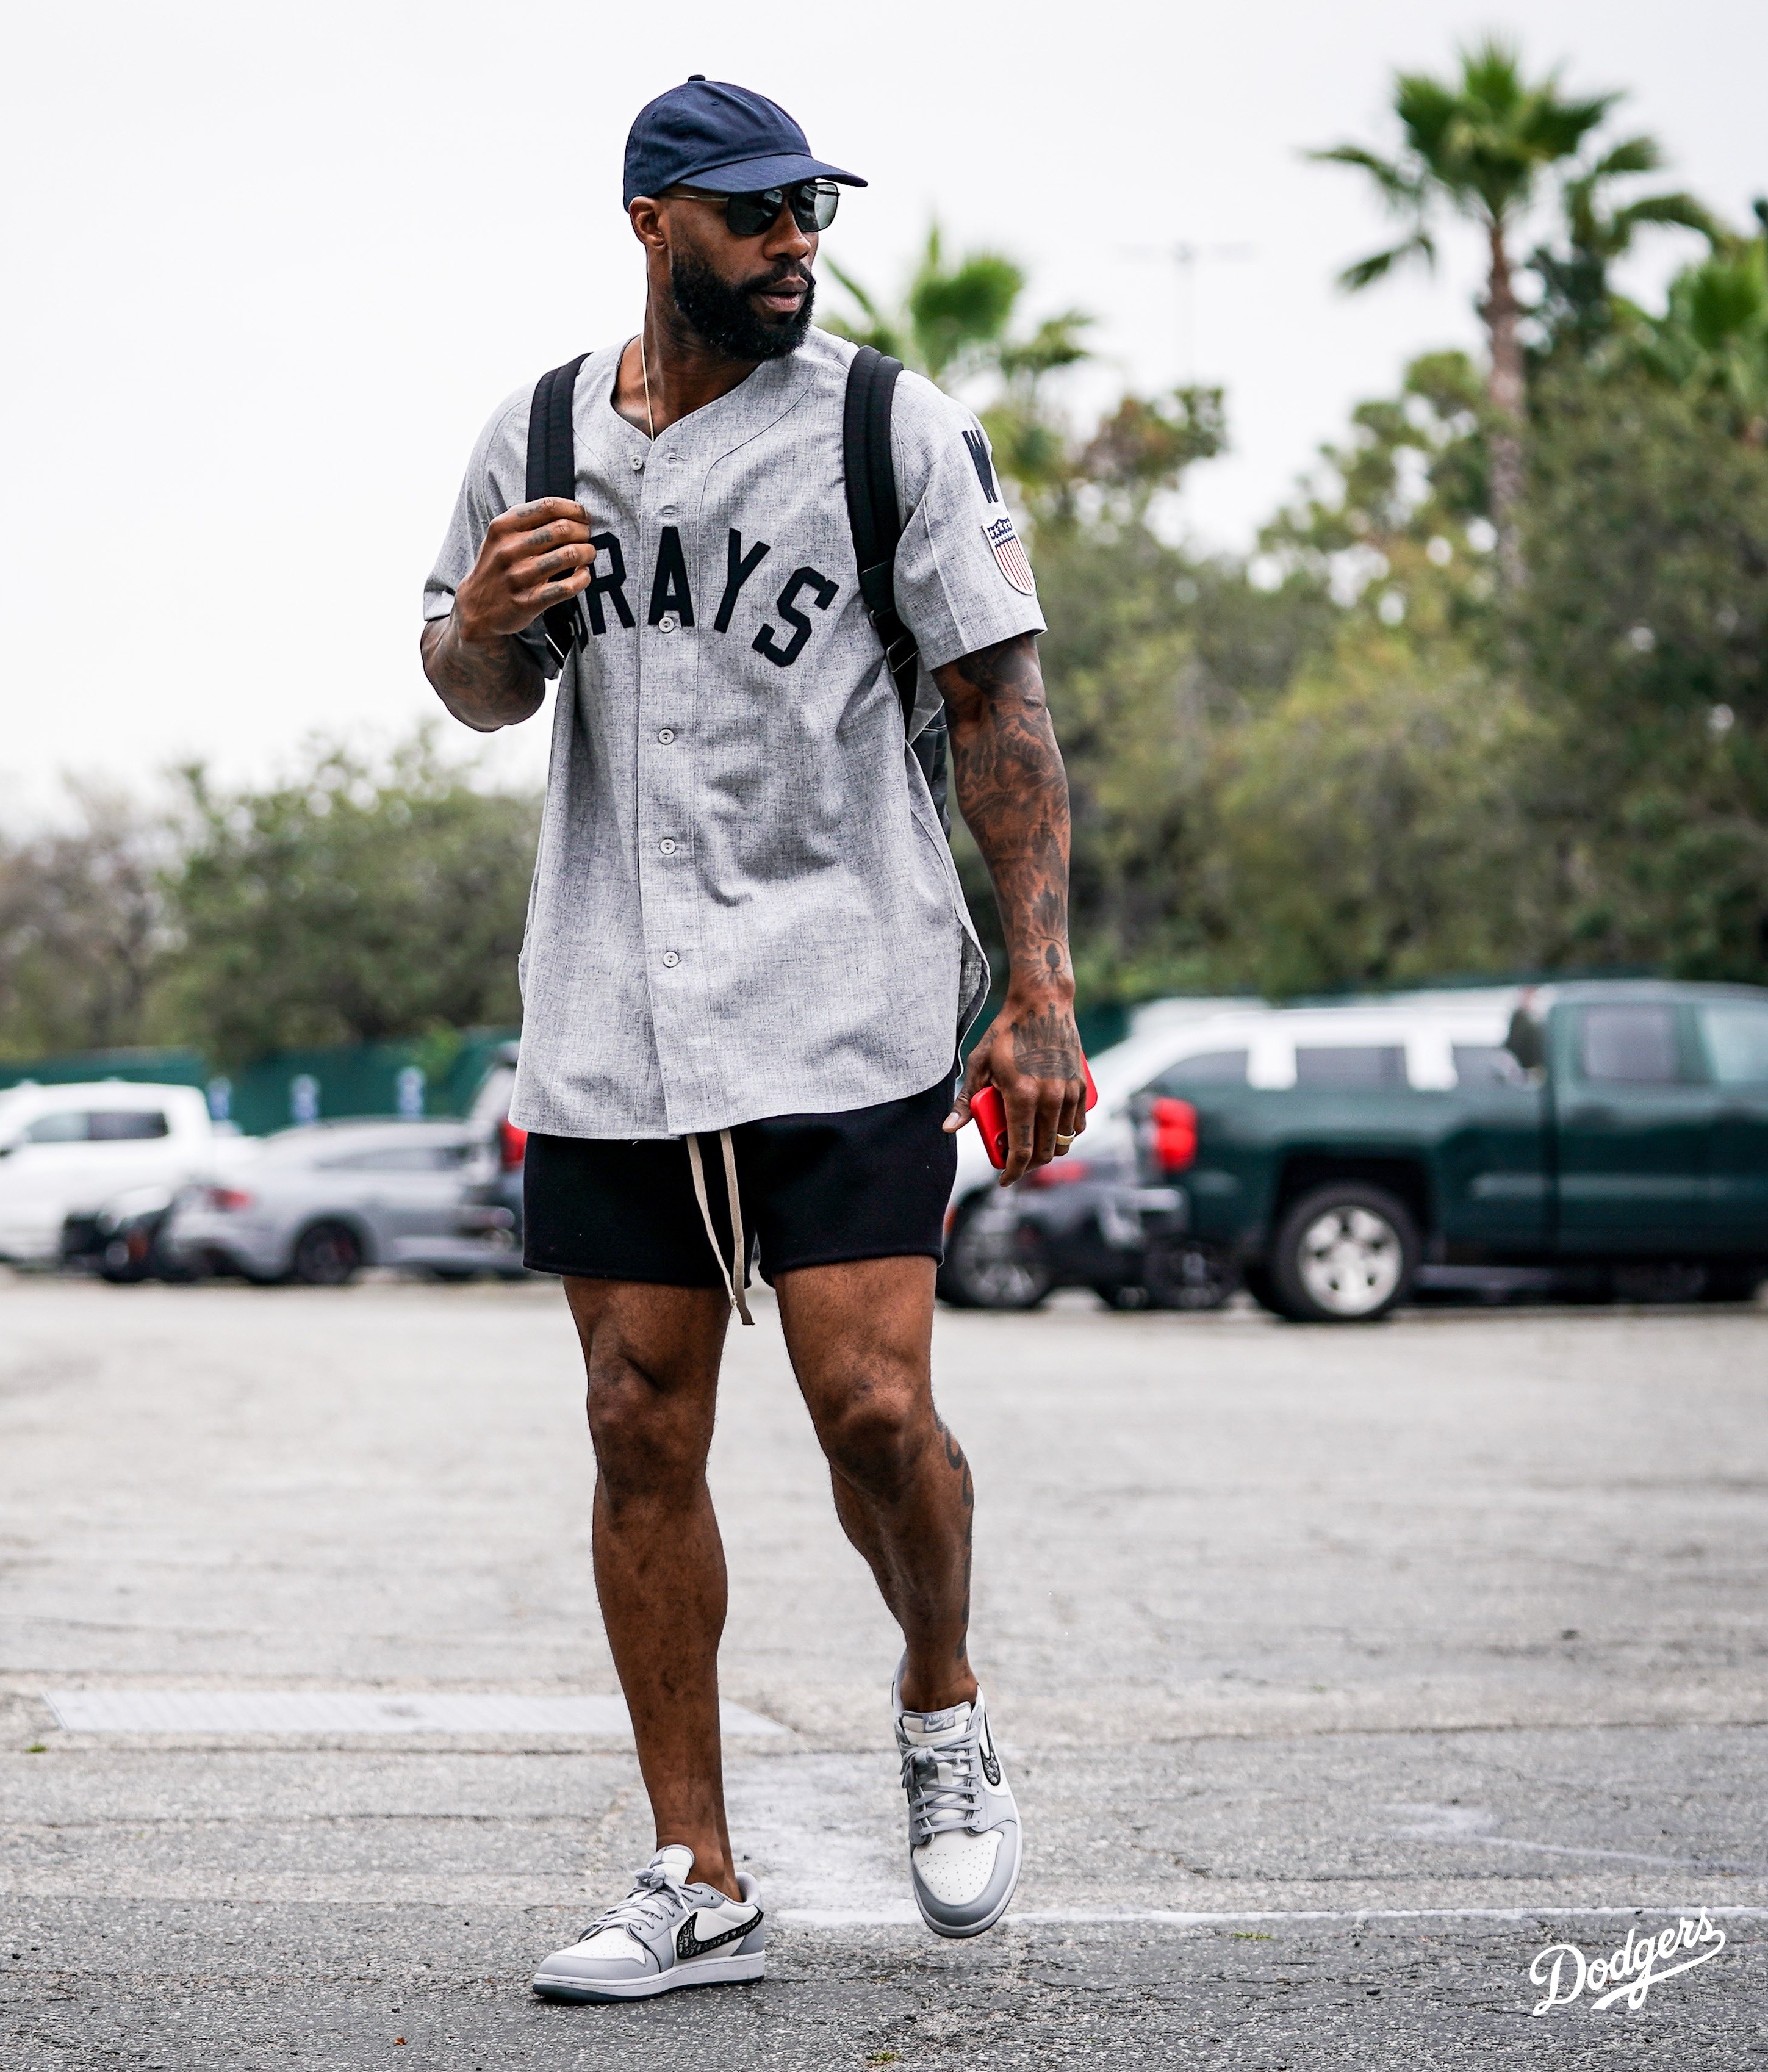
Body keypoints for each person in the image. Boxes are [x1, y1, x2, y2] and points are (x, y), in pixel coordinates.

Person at [420, 76, 1085, 2002]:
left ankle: (939, 1698)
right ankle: (693, 1870)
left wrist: (1039, 997)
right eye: (755, 217)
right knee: (638, 1427)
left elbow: (1003, 717)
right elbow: (471, 695)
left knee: (870, 1409)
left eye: (811, 213)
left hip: (849, 991)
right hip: (613, 1013)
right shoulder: (536, 435)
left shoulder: (887, 427)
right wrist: (477, 622)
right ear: (653, 225)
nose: (796, 246)